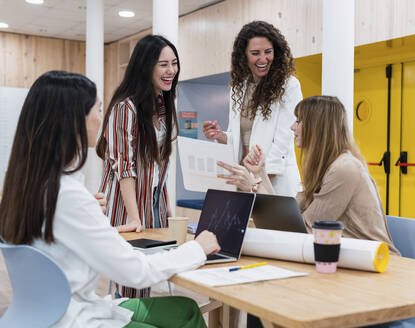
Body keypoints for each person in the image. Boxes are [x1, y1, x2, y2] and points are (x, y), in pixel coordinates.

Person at [0, 70, 220, 328]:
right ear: (73, 120)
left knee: (186, 310)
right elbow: (136, 272)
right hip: (73, 319)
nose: (100, 119)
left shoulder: (29, 184)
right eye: (97, 109)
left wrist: (88, 213)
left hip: (49, 312)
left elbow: (59, 231)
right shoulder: (68, 195)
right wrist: (197, 248)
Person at [219, 95, 399, 254]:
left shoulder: (344, 169)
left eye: (298, 121)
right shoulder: (325, 167)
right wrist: (261, 174)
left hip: (376, 262)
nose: (292, 127)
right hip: (347, 258)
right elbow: (289, 221)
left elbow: (303, 232)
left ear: (316, 127)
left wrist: (253, 185)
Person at [96, 35, 180, 298]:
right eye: (163, 64)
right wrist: (134, 217)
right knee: (131, 285)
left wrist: (166, 208)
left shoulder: (162, 107)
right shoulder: (125, 108)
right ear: (146, 66)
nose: (171, 71)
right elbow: (125, 169)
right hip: (127, 207)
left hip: (151, 206)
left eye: (174, 63)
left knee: (145, 281)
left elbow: (158, 169)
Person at [203, 20, 302, 197]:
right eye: (255, 53)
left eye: (268, 52)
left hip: (273, 182)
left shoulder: (289, 86)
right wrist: (221, 136)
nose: (263, 59)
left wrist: (257, 186)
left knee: (271, 224)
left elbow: (282, 144)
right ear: (244, 55)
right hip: (244, 179)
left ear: (276, 52)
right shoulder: (238, 87)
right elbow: (238, 139)